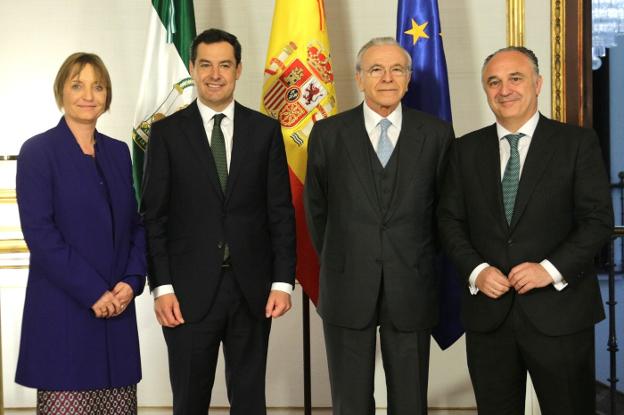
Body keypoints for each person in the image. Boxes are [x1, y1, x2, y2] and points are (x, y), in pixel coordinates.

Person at [437, 46, 613, 415]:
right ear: (486, 91)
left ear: (538, 83)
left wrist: (548, 269)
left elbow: (596, 221)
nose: (505, 90)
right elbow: (448, 220)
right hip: (489, 316)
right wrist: (477, 271)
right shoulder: (464, 150)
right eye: (494, 82)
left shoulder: (577, 144)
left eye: (515, 78)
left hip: (560, 314)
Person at [140, 28, 296, 415]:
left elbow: (280, 211)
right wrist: (161, 287)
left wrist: (282, 282)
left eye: (224, 64)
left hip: (253, 291)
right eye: (205, 64)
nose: (215, 74)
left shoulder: (264, 131)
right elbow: (154, 217)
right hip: (187, 295)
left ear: (238, 70)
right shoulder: (165, 134)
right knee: (189, 401)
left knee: (249, 401)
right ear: (192, 68)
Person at [304, 37, 454, 415]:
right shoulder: (328, 134)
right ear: (359, 78)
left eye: (396, 69)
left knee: (410, 401)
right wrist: (344, 257)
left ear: (408, 79)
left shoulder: (436, 134)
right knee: (350, 402)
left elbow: (445, 212)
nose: (387, 78)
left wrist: (416, 258)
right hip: (346, 283)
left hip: (412, 283)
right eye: (376, 69)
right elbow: (316, 210)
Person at [15, 52, 146, 414]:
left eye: (98, 86)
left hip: (116, 314)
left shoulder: (119, 153)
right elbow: (41, 235)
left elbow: (136, 224)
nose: (88, 94)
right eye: (77, 85)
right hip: (65, 314)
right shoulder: (38, 152)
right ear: (61, 92)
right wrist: (93, 292)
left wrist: (132, 282)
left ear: (107, 96)